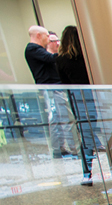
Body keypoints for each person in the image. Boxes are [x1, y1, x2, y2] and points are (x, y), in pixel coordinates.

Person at [55, 26, 99, 185]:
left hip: (79, 102)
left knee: (85, 137)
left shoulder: (60, 60)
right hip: (96, 99)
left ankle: (87, 173)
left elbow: (64, 84)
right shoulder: (88, 57)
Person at [26, 26, 76, 159]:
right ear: (38, 35)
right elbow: (50, 58)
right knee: (61, 119)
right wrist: (66, 54)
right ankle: (69, 149)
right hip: (51, 88)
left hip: (53, 87)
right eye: (47, 36)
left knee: (58, 119)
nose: (48, 40)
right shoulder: (33, 49)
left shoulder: (37, 50)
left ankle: (61, 148)